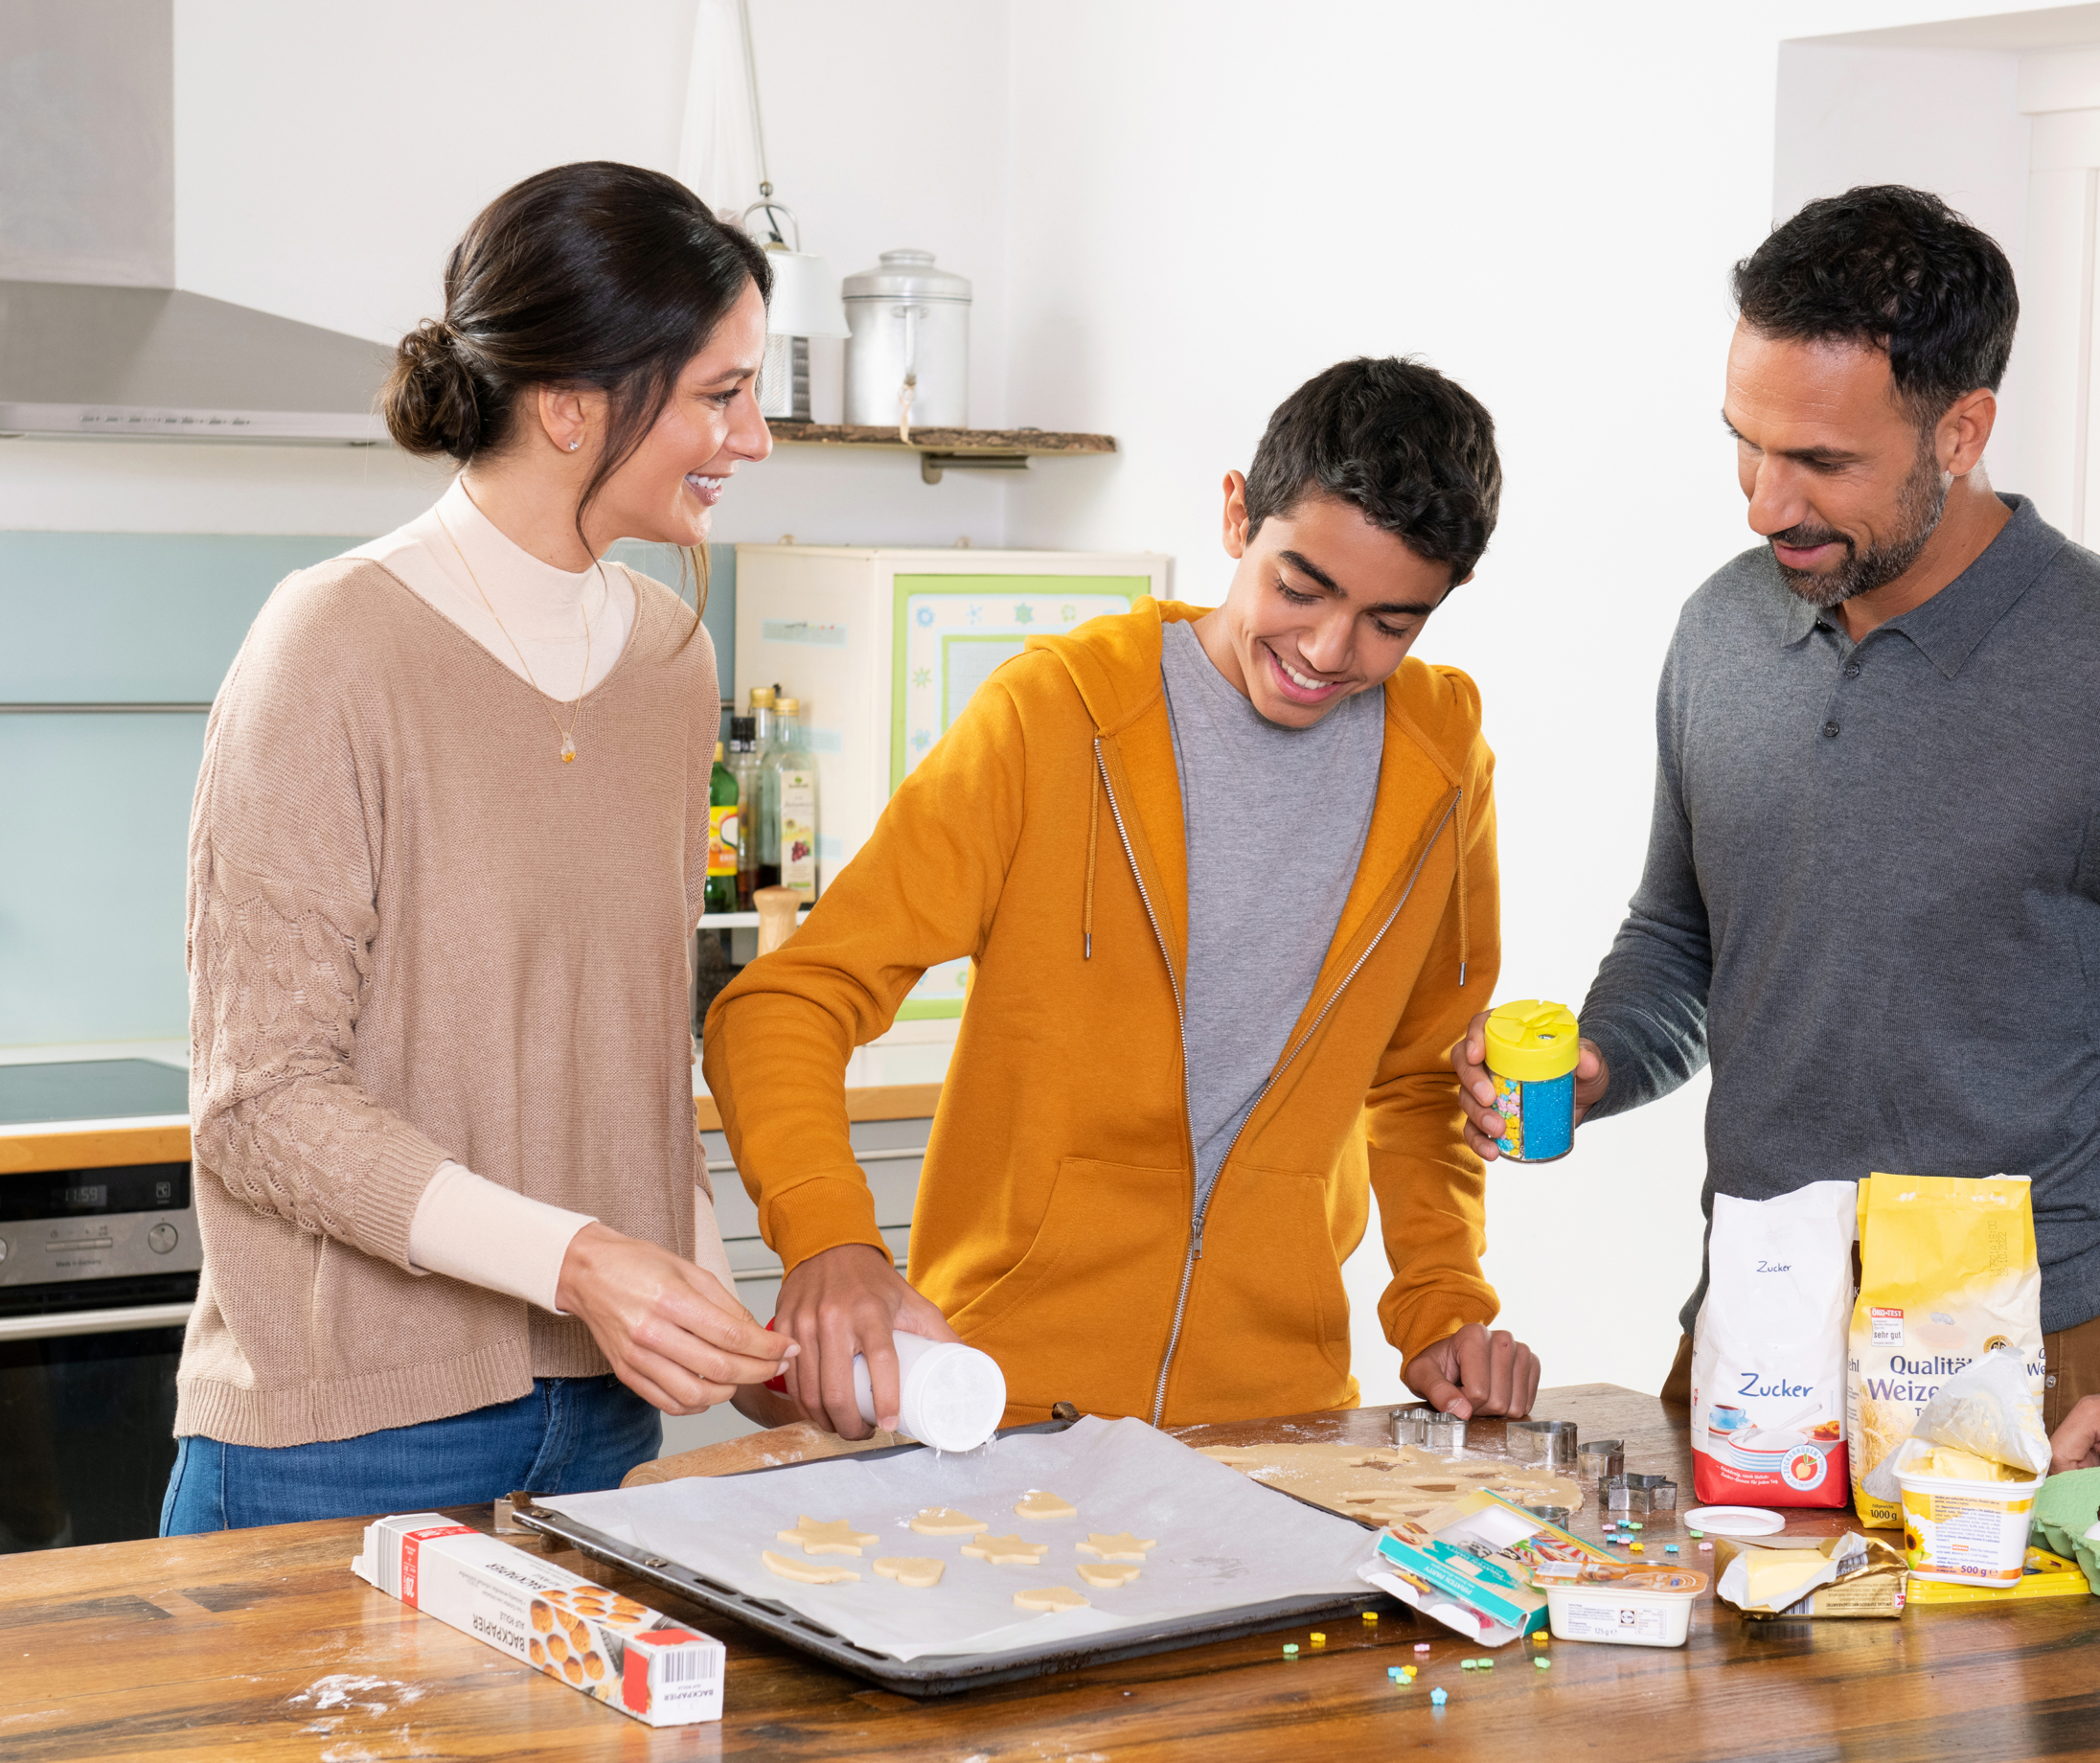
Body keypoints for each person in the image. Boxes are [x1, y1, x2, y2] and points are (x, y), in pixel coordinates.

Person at [1450, 187, 2100, 1482]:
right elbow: (1682, 941)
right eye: (1746, 446)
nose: (1767, 505)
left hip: (2038, 1379)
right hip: (1753, 1348)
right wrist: (1601, 1061)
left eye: (1821, 464)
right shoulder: (1722, 630)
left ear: (1961, 431)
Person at [705, 357, 1541, 1437]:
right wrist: (831, 1241)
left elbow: (1420, 1077)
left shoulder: (1442, 764)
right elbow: (785, 1005)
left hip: (1276, 1427)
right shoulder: (1053, 715)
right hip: (999, 1406)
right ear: (1238, 514)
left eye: (1391, 622)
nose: (1329, 652)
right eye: (1301, 587)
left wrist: (1440, 1306)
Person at [165, 162, 791, 1533]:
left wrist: (718, 1327)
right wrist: (582, 1266)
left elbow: (627, 1047)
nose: (752, 440)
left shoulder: (672, 659)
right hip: (347, 1435)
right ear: (573, 405)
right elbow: (261, 1105)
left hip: (602, 1421)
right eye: (720, 395)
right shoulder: (330, 644)